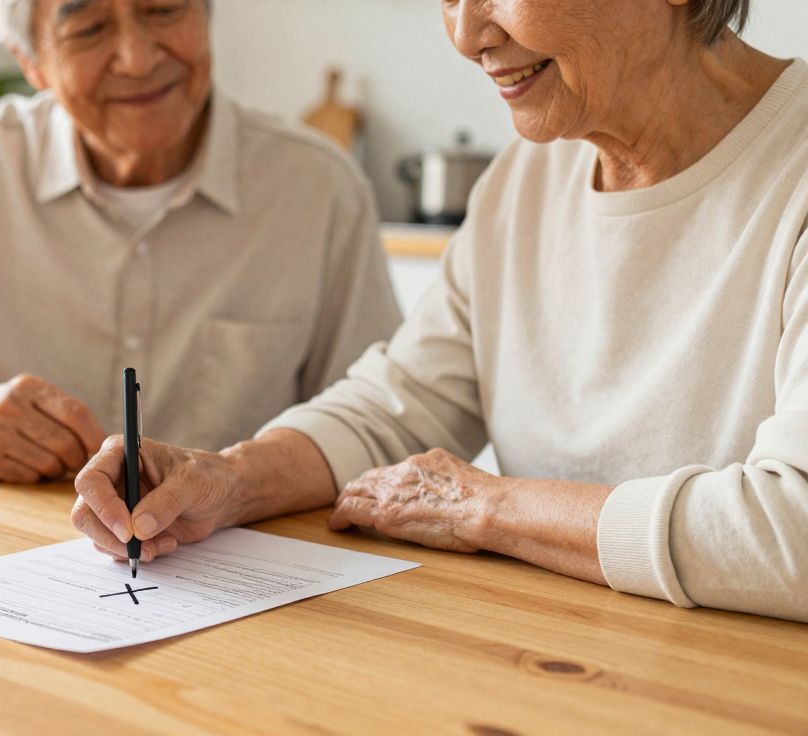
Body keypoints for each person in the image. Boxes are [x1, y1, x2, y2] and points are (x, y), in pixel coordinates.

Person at [72, 0, 808, 622]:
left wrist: (490, 510)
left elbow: (794, 534)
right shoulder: (528, 173)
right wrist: (229, 478)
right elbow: (401, 403)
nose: (465, 34)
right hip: (552, 663)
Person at [0, 0, 401, 484]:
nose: (139, 57)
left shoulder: (319, 188)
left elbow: (383, 428)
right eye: (89, 28)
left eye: (163, 9)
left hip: (253, 568)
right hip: (16, 565)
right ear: (30, 62)